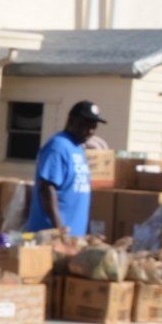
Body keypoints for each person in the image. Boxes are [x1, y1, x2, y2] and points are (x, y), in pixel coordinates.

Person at [24, 100, 106, 235]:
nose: (90, 131)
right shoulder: (57, 146)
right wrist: (59, 230)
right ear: (72, 120)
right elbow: (47, 188)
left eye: (94, 127)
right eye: (86, 125)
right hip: (51, 236)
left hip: (73, 236)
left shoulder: (77, 148)